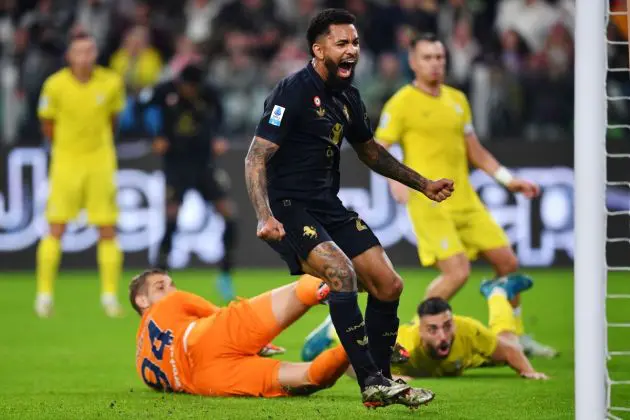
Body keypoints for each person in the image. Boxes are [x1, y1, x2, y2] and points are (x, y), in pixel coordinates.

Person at [244, 9, 453, 407]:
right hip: (289, 208)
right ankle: (371, 381)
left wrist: (423, 184)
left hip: (328, 205)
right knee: (342, 274)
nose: (352, 51)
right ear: (318, 49)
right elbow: (255, 157)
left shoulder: (349, 97)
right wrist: (264, 215)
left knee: (389, 284)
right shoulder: (292, 91)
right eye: (342, 44)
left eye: (355, 43)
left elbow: (371, 153)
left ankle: (383, 381)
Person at [374, 33, 557, 357]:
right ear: (413, 62)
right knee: (457, 272)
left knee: (507, 262)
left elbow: (476, 151)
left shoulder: (457, 99)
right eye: (428, 57)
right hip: (429, 201)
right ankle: (412, 339)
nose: (435, 63)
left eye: (440, 57)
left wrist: (507, 179)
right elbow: (379, 147)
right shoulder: (401, 102)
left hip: (466, 200)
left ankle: (516, 335)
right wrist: (395, 182)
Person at [132, 268, 349, 398]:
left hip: (210, 381)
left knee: (311, 377)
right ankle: (351, 271)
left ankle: (356, 343)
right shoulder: (170, 302)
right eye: (161, 287)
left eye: (171, 285)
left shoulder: (142, 366)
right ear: (141, 300)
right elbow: (219, 314)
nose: (171, 290)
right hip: (204, 337)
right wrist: (254, 339)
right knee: (302, 291)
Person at [35, 32, 126, 318]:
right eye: (79, 52)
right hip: (66, 163)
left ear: (95, 54)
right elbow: (47, 125)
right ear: (69, 56)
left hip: (100, 162)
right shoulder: (54, 85)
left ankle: (109, 297)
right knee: (56, 227)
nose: (85, 57)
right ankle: (44, 295)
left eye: (90, 51)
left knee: (107, 229)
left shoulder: (111, 82)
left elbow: (113, 121)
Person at [302, 276, 549, 380]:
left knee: (510, 342)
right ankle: (333, 327)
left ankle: (497, 292)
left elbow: (510, 351)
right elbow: (355, 364)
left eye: (446, 326)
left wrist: (528, 372)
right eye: (432, 329)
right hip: (442, 363)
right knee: (361, 341)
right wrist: (385, 378)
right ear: (419, 328)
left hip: (461, 362)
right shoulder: (404, 342)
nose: (443, 336)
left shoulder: (467, 330)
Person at [138, 64, 238, 301]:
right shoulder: (164, 91)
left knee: (229, 216)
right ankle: (159, 279)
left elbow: (221, 115)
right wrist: (154, 137)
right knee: (171, 218)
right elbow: (140, 109)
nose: (190, 91)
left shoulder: (209, 93)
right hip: (176, 164)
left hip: (204, 163)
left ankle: (224, 274)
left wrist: (220, 137)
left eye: (193, 88)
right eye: (186, 87)